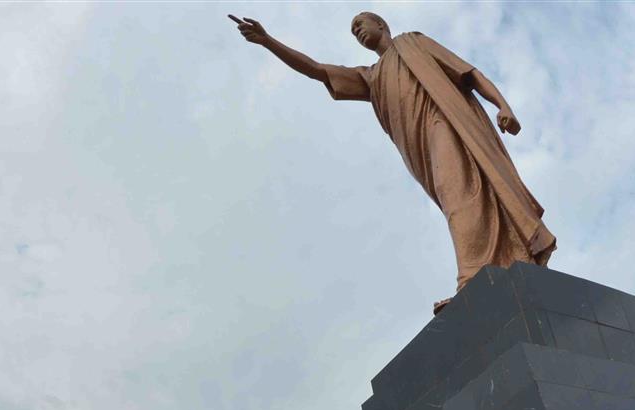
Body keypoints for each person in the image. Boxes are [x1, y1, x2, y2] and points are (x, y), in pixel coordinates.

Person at [229, 12, 555, 313]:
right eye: (353, 31)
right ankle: (498, 267)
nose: (357, 31)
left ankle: (472, 281)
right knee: (457, 197)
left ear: (382, 25)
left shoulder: (412, 42)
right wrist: (268, 41)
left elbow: (468, 73)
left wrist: (503, 105)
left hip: (449, 123)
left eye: (361, 24)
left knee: (458, 193)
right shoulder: (371, 77)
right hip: (422, 149)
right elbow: (317, 70)